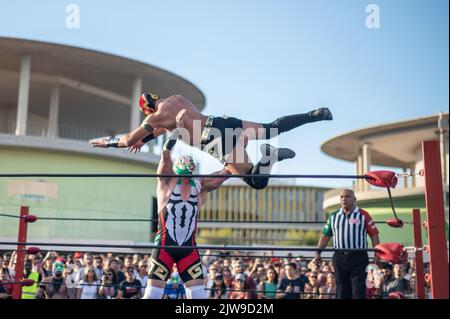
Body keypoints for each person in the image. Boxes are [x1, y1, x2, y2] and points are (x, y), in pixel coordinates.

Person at [90, 93, 333, 190]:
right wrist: (150, 135)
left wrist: (109, 143)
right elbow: (167, 127)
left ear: (148, 110)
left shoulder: (155, 117)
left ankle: (270, 156)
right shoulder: (177, 100)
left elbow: (128, 139)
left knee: (255, 181)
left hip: (214, 140)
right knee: (272, 128)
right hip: (222, 122)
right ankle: (314, 115)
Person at [141, 133, 231, 299]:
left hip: (188, 249)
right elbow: (164, 162)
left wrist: (232, 155)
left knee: (198, 296)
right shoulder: (166, 184)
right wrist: (168, 146)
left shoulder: (200, 187)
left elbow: (223, 174)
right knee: (152, 294)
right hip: (164, 248)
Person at [315, 188, 380, 299]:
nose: (344, 199)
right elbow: (325, 235)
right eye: (342, 197)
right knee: (342, 290)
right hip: (340, 258)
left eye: (347, 196)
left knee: (358, 291)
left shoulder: (363, 215)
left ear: (354, 199)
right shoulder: (333, 216)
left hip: (358, 258)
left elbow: (374, 234)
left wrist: (377, 254)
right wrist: (318, 252)